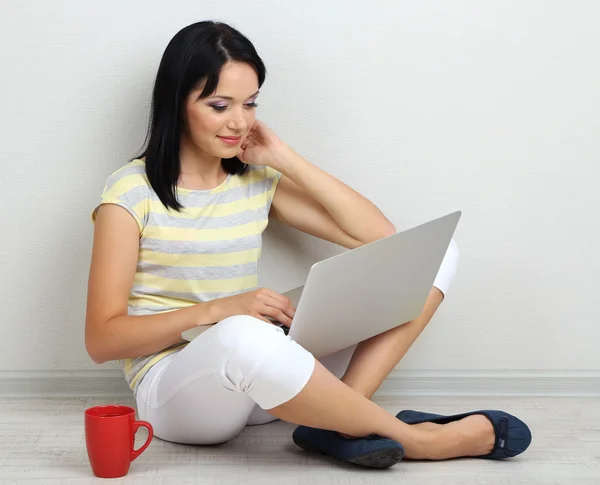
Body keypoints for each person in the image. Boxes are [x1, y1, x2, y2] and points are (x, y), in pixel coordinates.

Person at [85, 20, 531, 468]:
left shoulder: (255, 181)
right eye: (220, 105)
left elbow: (381, 237)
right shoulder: (130, 194)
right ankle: (417, 440)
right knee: (242, 334)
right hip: (176, 394)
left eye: (251, 103)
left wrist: (283, 157)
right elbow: (101, 339)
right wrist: (219, 311)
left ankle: (339, 420)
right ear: (177, 103)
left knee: (434, 255)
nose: (240, 122)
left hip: (264, 379)